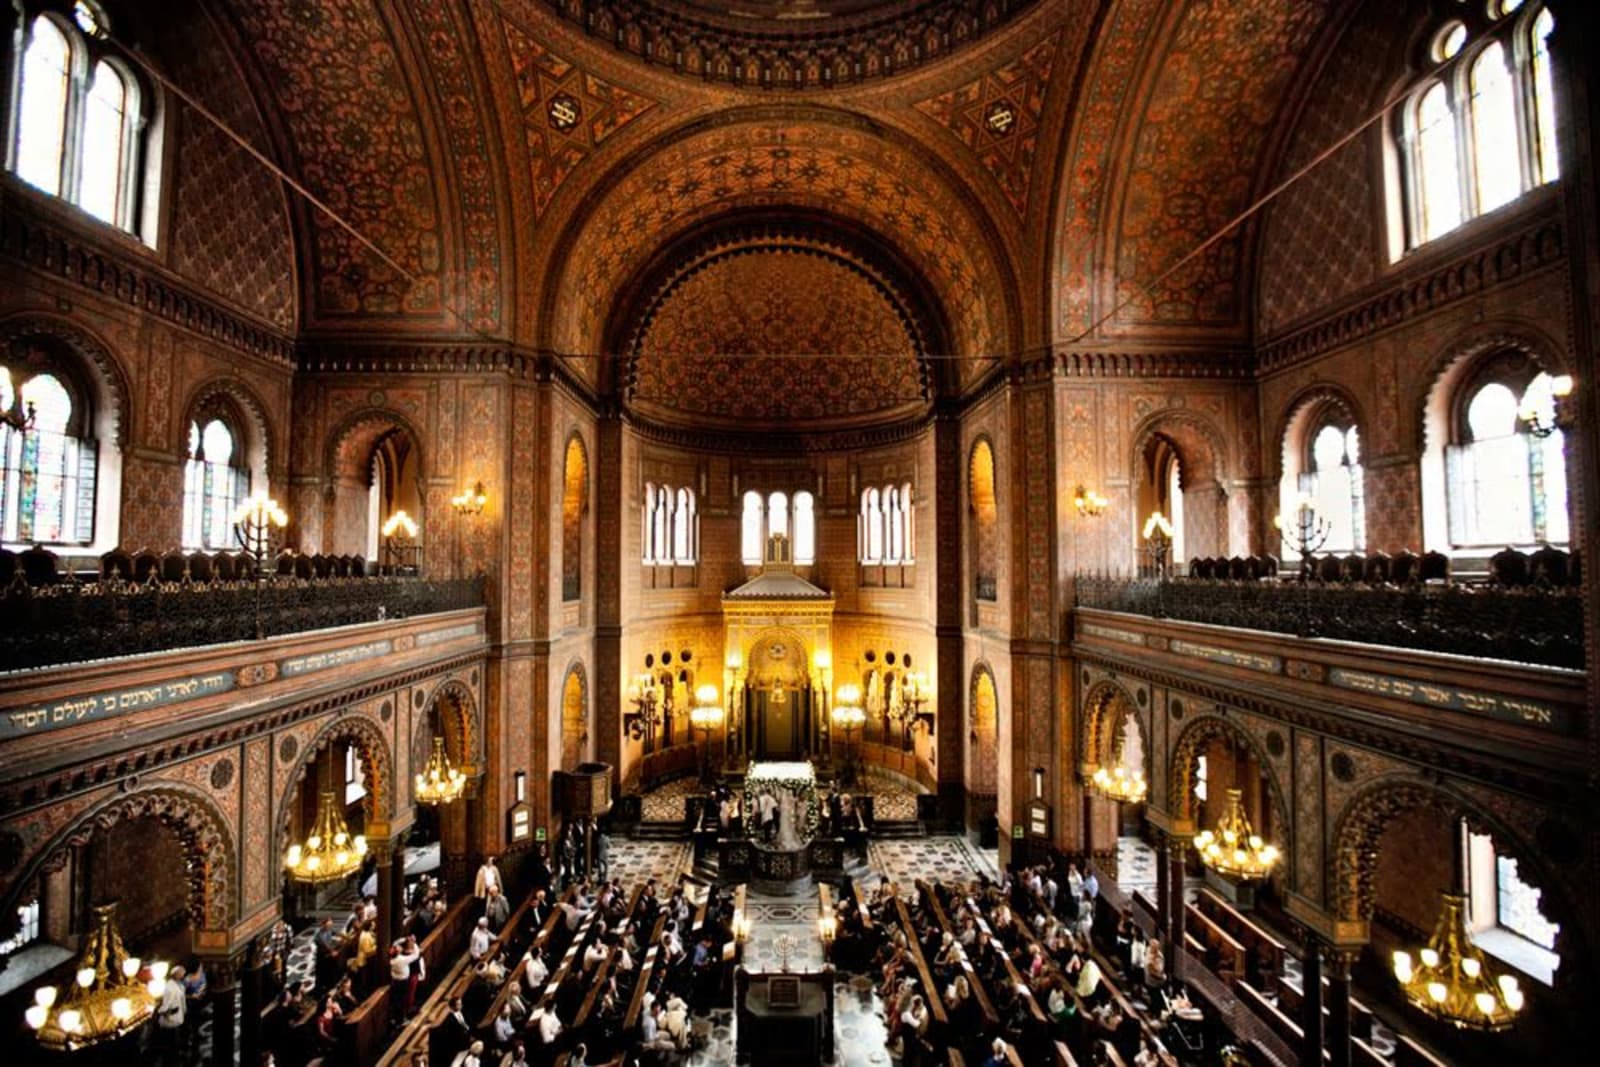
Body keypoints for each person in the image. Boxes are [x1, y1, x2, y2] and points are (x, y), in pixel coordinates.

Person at [157, 965, 187, 1061]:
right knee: (172, 1040)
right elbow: (166, 1005)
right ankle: (172, 1057)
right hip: (171, 1019)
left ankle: (176, 1054)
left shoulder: (179, 984)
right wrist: (162, 1012)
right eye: (181, 974)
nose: (183, 976)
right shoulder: (169, 988)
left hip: (178, 1016)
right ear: (176, 975)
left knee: (177, 1037)